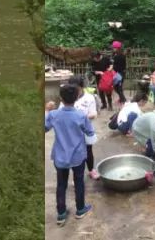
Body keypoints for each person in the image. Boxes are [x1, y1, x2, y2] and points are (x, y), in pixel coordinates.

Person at [45, 83, 95, 227]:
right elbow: (90, 132)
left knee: (61, 184)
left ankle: (61, 213)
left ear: (60, 97)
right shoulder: (81, 115)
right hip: (77, 157)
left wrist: (47, 111)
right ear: (77, 97)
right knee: (79, 182)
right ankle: (80, 210)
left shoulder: (54, 115)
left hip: (60, 157)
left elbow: (44, 128)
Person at [70, 75, 101, 181]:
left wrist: (81, 117)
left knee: (88, 150)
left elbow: (94, 114)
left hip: (86, 129)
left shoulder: (89, 98)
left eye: (76, 88)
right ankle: (77, 176)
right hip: (72, 130)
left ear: (82, 87)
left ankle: (91, 170)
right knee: (75, 153)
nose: (74, 91)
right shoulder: (68, 96)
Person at [110, 41, 128, 105]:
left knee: (118, 88)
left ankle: (123, 100)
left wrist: (112, 67)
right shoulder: (117, 55)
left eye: (114, 48)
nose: (113, 49)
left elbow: (117, 67)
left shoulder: (119, 56)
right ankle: (121, 98)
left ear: (117, 48)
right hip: (119, 73)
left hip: (120, 73)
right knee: (116, 87)